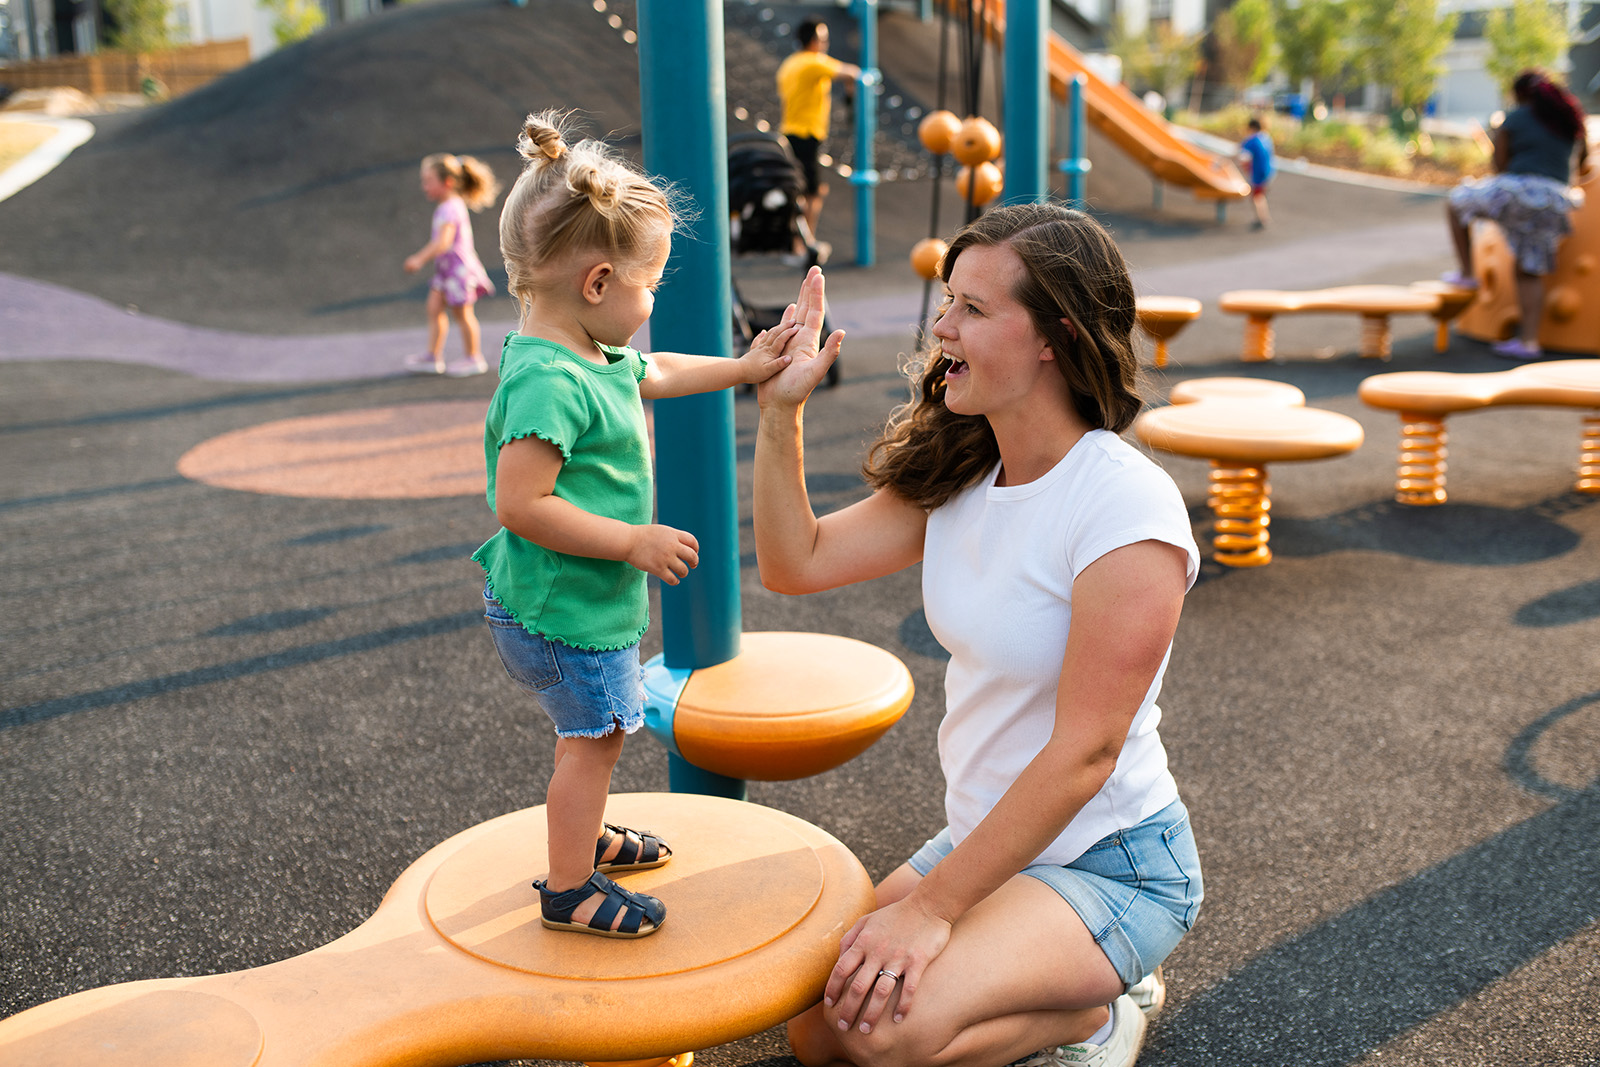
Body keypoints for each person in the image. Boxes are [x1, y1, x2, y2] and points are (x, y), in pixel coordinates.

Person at [755, 204, 1203, 1067]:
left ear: (1053, 338)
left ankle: (1094, 1010)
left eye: (973, 308)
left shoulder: (1122, 506)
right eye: (946, 301)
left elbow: (1086, 751)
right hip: (986, 840)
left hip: (1113, 865)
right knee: (812, 1026)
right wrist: (781, 414)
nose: (942, 327)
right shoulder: (963, 470)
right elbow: (795, 562)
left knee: (879, 1032)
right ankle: (1065, 992)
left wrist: (929, 911)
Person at [472, 110, 798, 938]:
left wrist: (748, 365)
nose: (651, 303)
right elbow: (520, 505)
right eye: (649, 285)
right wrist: (634, 542)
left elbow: (659, 369)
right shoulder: (551, 379)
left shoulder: (588, 349)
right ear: (597, 282)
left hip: (576, 602)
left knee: (593, 734)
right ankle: (569, 886)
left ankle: (581, 837)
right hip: (565, 609)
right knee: (597, 740)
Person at [1445, 68, 1588, 361]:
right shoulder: (1569, 121)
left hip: (1520, 191)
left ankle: (1468, 274)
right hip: (1556, 200)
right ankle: (1529, 341)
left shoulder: (1516, 116)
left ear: (1521, 93)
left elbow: (1500, 165)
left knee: (1457, 202)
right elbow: (1582, 161)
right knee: (1527, 270)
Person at [403, 153, 501, 377]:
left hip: (458, 271)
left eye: (428, 181)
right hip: (447, 272)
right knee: (434, 307)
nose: (424, 186)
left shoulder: (450, 208)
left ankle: (474, 357)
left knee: (462, 313)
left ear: (447, 182)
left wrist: (419, 258)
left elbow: (443, 242)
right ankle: (433, 356)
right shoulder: (447, 206)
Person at [777, 16, 861, 262]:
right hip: (806, 135)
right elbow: (851, 72)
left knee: (802, 190)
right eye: (823, 39)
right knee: (811, 194)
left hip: (790, 133)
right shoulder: (813, 63)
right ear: (813, 41)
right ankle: (802, 245)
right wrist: (850, 88)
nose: (825, 44)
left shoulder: (790, 63)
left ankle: (798, 244)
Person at [1238, 116, 1274, 229]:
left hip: (1259, 173)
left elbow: (1240, 152)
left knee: (1257, 197)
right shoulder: (1266, 137)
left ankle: (1262, 219)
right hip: (1268, 171)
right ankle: (1261, 218)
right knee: (1259, 195)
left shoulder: (1252, 140)